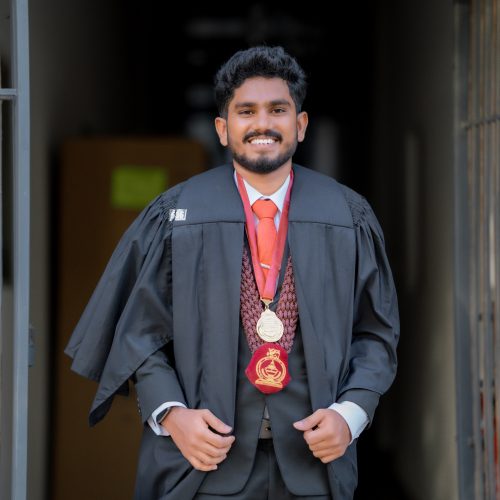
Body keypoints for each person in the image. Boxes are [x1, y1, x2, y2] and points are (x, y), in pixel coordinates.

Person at [65, 45, 399, 500]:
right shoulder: (176, 215)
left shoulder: (346, 216)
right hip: (204, 466)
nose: (263, 123)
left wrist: (351, 414)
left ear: (300, 124)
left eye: (278, 109)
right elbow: (139, 334)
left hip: (314, 467)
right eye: (246, 111)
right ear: (223, 129)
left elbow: (376, 333)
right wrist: (173, 416)